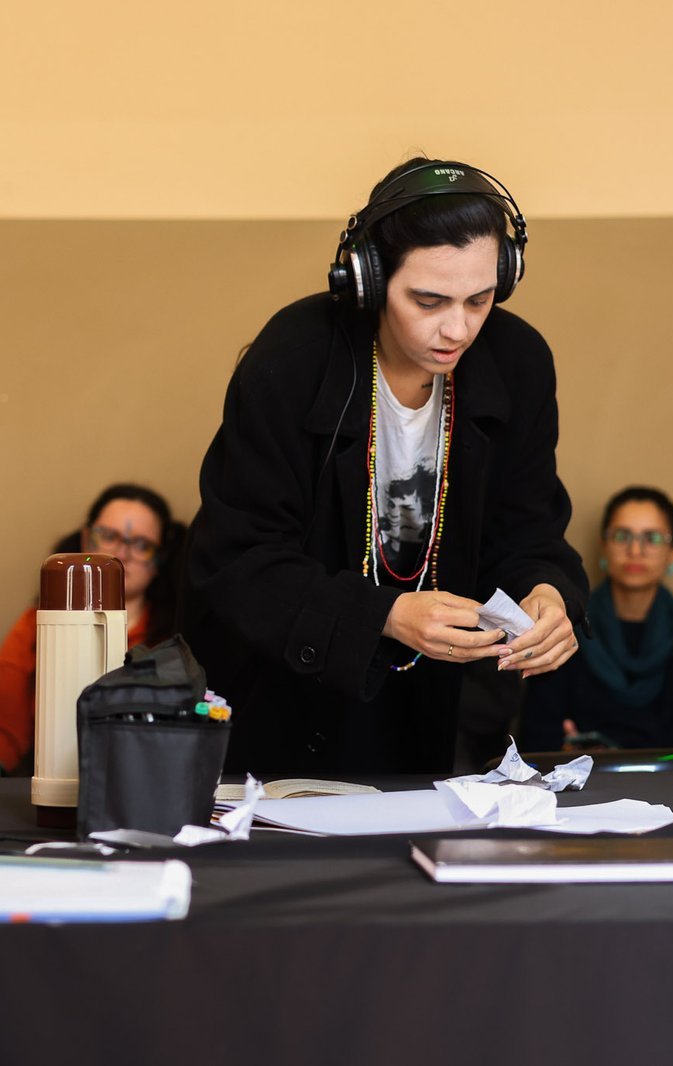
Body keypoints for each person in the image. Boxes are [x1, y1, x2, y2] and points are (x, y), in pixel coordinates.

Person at [183, 156, 588, 775]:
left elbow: (529, 527)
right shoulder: (292, 359)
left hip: (449, 721)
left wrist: (548, 595)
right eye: (428, 300)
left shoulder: (518, 360)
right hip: (293, 715)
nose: (457, 328)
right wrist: (387, 615)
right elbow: (239, 558)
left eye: (479, 300)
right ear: (368, 280)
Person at [519, 487, 673, 754]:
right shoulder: (565, 626)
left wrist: (609, 755)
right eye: (622, 536)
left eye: (653, 538)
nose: (635, 550)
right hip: (582, 789)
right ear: (604, 545)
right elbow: (535, 739)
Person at [0, 484, 184, 774]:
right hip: (50, 779)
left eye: (141, 544)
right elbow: (3, 738)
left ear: (161, 558)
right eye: (109, 536)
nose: (122, 554)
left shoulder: (174, 639)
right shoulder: (35, 626)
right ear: (86, 538)